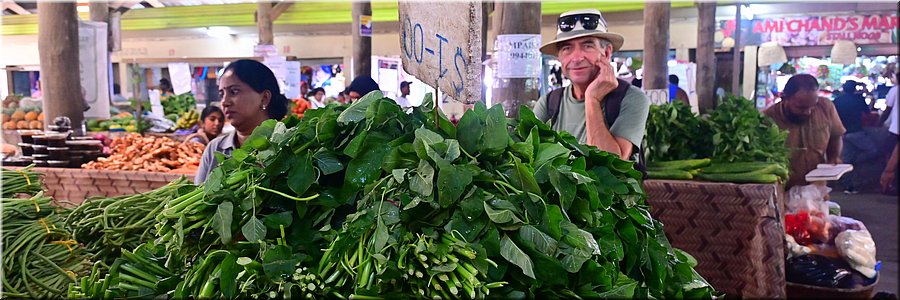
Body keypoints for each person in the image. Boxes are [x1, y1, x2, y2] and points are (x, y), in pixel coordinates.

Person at [533, 8, 650, 161]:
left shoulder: (632, 98)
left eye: (587, 46)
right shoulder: (549, 102)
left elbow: (612, 163)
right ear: (560, 58)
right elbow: (527, 155)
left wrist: (592, 99)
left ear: (606, 53)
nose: (576, 58)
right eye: (567, 48)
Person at [194, 59, 289, 184]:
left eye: (234, 91)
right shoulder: (215, 149)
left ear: (264, 98)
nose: (225, 102)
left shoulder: (288, 147)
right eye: (221, 94)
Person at [763, 74, 845, 189]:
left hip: (817, 185)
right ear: (784, 98)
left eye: (812, 106)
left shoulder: (826, 107)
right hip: (783, 187)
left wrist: (834, 157)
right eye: (801, 107)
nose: (808, 112)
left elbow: (836, 135)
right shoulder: (767, 119)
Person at [834, 80, 876, 194]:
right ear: (854, 89)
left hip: (843, 133)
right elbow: (868, 112)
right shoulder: (858, 99)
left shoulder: (837, 100)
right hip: (856, 132)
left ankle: (848, 187)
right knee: (873, 150)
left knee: (846, 159)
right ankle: (855, 161)